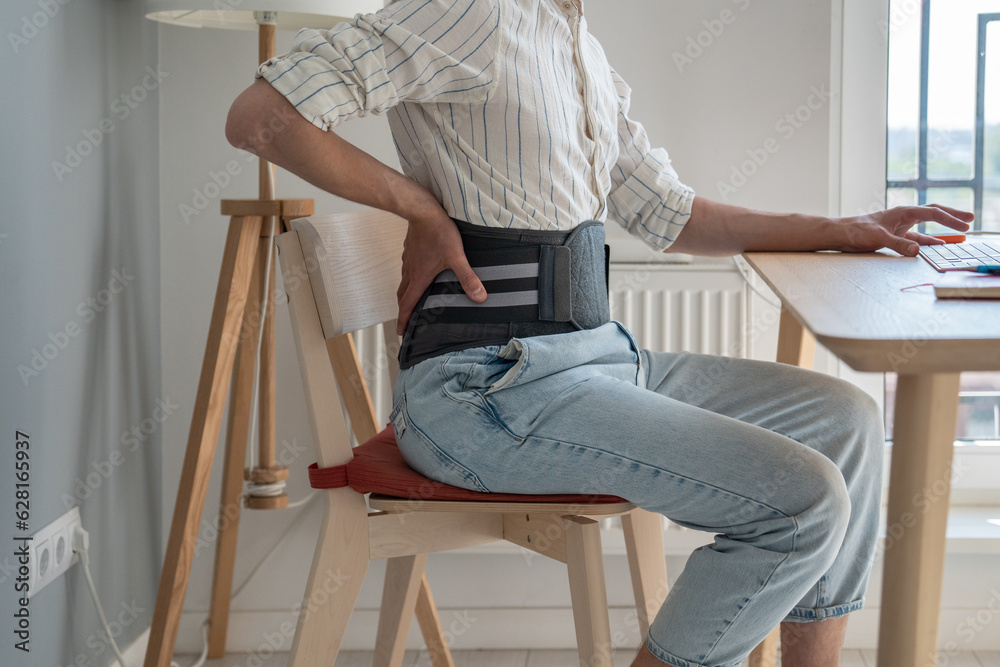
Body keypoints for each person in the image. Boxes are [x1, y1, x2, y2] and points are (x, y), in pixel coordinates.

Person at [224, 1, 973, 664]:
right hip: (485, 389)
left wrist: (842, 229)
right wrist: (417, 206)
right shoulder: (471, 13)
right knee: (803, 499)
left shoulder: (575, 41)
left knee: (846, 419)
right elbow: (262, 116)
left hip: (598, 361)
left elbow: (671, 213)